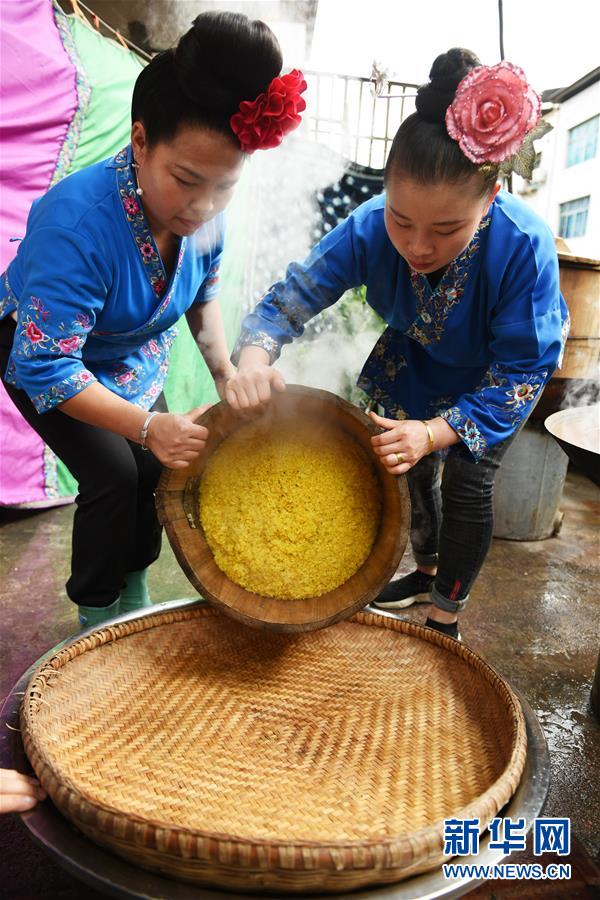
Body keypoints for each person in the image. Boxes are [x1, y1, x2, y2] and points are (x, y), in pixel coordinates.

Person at [225, 48, 569, 641]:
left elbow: (522, 368)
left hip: (495, 378)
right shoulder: (367, 225)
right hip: (416, 359)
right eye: (402, 221)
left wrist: (438, 431)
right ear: (386, 191)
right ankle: (425, 568)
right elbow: (293, 297)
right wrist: (256, 355)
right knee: (404, 466)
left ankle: (445, 616)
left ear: (488, 202)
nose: (418, 246)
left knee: (468, 479)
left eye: (445, 230)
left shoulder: (521, 244)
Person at [0, 12, 306, 629]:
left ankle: (132, 597)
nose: (204, 206)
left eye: (224, 187)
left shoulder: (208, 215)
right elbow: (49, 363)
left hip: (129, 354)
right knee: (113, 474)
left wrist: (224, 370)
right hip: (45, 350)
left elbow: (203, 297)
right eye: (186, 181)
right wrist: (146, 424)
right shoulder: (76, 223)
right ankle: (92, 617)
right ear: (140, 141)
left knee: (157, 468)